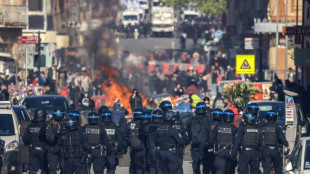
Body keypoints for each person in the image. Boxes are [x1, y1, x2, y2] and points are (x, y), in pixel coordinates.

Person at [209, 109, 237, 174]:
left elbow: (211, 139)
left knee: (220, 170)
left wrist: (211, 149)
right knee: (229, 171)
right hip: (230, 152)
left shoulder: (218, 126)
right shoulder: (233, 128)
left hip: (219, 151)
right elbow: (236, 141)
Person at [22, 109, 47, 174]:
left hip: (32, 150)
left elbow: (25, 138)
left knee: (32, 170)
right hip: (43, 150)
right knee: (45, 169)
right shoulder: (45, 126)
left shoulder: (30, 126)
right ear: (42, 116)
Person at [189, 102, 211, 174]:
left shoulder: (192, 120)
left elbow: (188, 132)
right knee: (206, 166)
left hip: (195, 146)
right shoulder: (208, 120)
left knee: (196, 166)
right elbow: (210, 132)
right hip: (205, 146)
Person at [142, 109, 163, 174]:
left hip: (151, 148)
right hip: (162, 149)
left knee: (152, 167)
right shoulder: (164, 125)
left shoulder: (147, 125)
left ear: (152, 116)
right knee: (160, 167)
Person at [125, 108, 145, 174]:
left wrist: (129, 143)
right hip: (144, 148)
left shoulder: (129, 125)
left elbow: (125, 136)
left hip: (133, 148)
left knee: (133, 164)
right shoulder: (145, 124)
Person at [45, 109, 65, 174]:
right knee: (64, 168)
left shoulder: (49, 124)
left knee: (52, 169)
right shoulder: (66, 124)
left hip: (52, 148)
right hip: (63, 148)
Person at [170, 110, 190, 174]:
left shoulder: (168, 126)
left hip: (169, 149)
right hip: (179, 148)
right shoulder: (181, 127)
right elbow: (187, 139)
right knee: (179, 166)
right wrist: (184, 145)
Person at [205, 108, 224, 174]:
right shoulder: (223, 125)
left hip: (209, 147)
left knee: (207, 167)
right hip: (219, 148)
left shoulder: (209, 124)